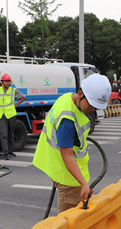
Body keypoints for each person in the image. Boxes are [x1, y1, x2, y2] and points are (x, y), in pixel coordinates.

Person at [32, 74, 111, 214]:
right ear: (80, 94)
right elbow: (67, 157)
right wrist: (83, 184)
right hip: (69, 180)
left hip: (62, 169)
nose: (93, 110)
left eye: (97, 108)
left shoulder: (67, 98)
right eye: (92, 105)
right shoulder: (67, 121)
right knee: (70, 227)